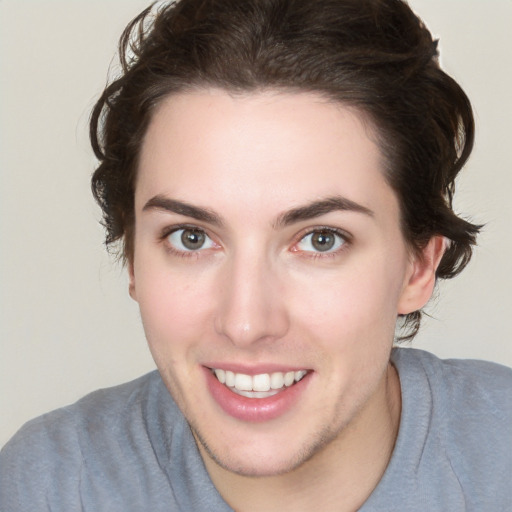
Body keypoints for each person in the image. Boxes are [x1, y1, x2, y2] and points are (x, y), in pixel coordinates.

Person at [1, 0, 511, 510]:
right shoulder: (49, 487)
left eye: (321, 240)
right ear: (132, 258)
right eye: (191, 237)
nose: (246, 323)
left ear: (418, 266)